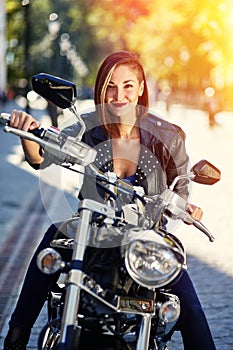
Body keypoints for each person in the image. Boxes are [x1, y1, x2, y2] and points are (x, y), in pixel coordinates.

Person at [4, 51, 216, 350]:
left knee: (191, 309)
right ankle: (16, 335)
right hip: (91, 232)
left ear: (141, 87)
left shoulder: (168, 136)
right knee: (51, 244)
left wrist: (186, 207)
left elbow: (180, 188)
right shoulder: (85, 126)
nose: (119, 95)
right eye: (111, 87)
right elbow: (42, 158)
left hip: (146, 239)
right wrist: (28, 132)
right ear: (102, 88)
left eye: (128, 86)